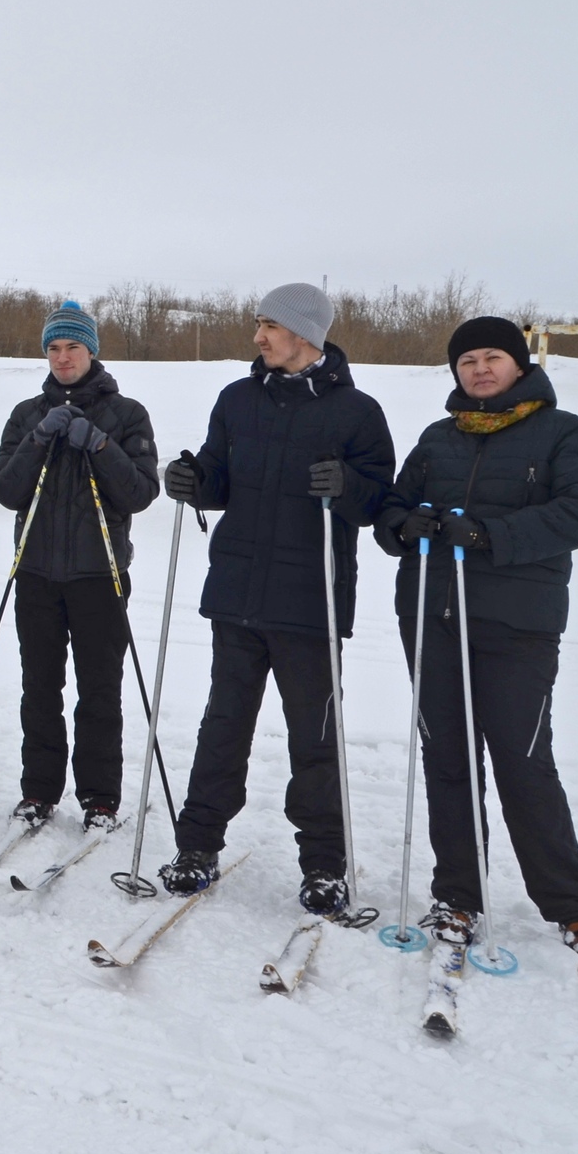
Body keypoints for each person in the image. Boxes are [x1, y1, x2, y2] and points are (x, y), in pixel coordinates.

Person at [373, 316, 578, 956]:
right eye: (467, 361)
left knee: (523, 761)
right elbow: (391, 511)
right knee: (447, 760)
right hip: (431, 618)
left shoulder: (561, 431)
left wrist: (486, 535)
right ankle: (458, 895)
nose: (480, 368)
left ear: (518, 364)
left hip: (518, 625)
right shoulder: (437, 438)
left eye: (492, 357)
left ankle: (571, 904)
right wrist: (407, 526)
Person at [158, 282, 394, 913]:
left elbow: (380, 503)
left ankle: (324, 866)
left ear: (304, 334)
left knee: (314, 741)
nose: (257, 336)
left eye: (268, 325)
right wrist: (192, 481)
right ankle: (196, 846)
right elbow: (217, 479)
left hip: (310, 605)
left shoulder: (357, 412)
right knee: (222, 730)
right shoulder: (237, 399)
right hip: (236, 595)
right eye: (258, 324)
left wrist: (347, 485)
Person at [0, 300, 160, 828]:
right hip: (36, 574)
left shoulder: (127, 414)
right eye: (54, 349)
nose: (62, 358)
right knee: (39, 687)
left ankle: (100, 797)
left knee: (100, 689)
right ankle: (39, 790)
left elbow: (140, 493)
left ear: (92, 351)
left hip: (100, 576)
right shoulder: (26, 414)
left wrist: (99, 443)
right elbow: (6, 490)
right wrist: (40, 439)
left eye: (73, 347)